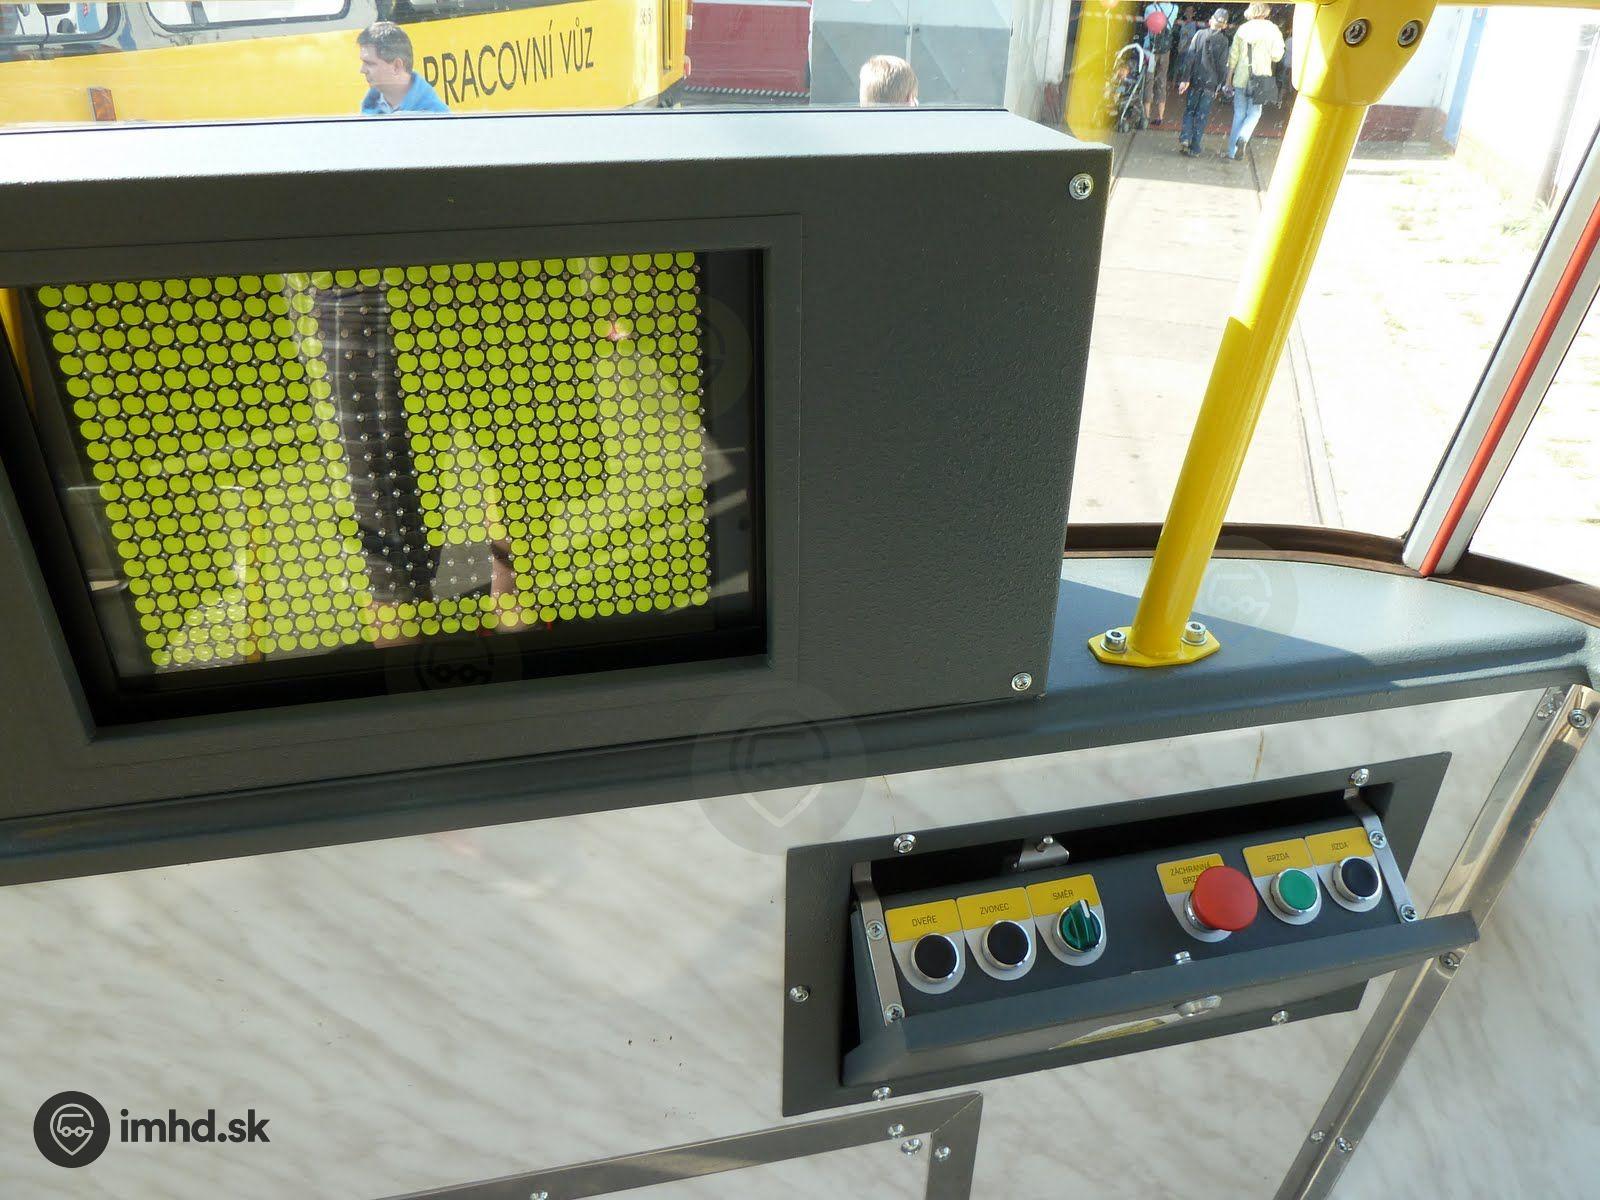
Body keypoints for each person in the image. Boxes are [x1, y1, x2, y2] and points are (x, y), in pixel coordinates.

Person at [1224, 2, 1284, 161]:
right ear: (1266, 11)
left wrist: (1228, 79)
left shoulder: (1243, 29)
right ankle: (1243, 137)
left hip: (1241, 77)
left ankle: (1232, 151)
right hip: (1261, 78)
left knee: (1239, 114)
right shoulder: (1273, 30)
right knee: (1255, 113)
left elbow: (1233, 56)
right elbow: (1277, 56)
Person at [357, 21, 449, 116]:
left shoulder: (435, 116)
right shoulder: (369, 108)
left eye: (370, 63)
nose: (362, 70)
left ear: (396, 66)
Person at [1176, 9, 1230, 158]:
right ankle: (1195, 147)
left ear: (1211, 21)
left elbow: (1190, 57)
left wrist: (1185, 79)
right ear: (1224, 25)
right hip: (1210, 84)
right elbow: (1222, 66)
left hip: (1195, 80)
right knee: (1202, 116)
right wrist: (1219, 84)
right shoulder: (1224, 41)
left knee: (1190, 110)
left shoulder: (1199, 34)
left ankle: (1185, 137)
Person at [1142, 2, 1179, 126]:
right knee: (1162, 80)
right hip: (1165, 50)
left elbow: (1146, 24)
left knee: (1149, 80)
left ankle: (1146, 115)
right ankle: (1160, 116)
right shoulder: (1175, 8)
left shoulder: (1150, 8)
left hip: (1151, 50)